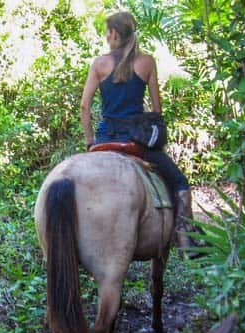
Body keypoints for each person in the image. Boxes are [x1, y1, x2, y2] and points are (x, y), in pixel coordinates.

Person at [80, 11, 194, 246]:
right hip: (136, 142)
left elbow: (84, 106)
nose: (106, 36)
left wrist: (90, 141)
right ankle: (185, 236)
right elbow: (156, 109)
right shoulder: (147, 62)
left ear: (113, 33)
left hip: (103, 140)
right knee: (180, 181)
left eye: (107, 32)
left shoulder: (99, 64)